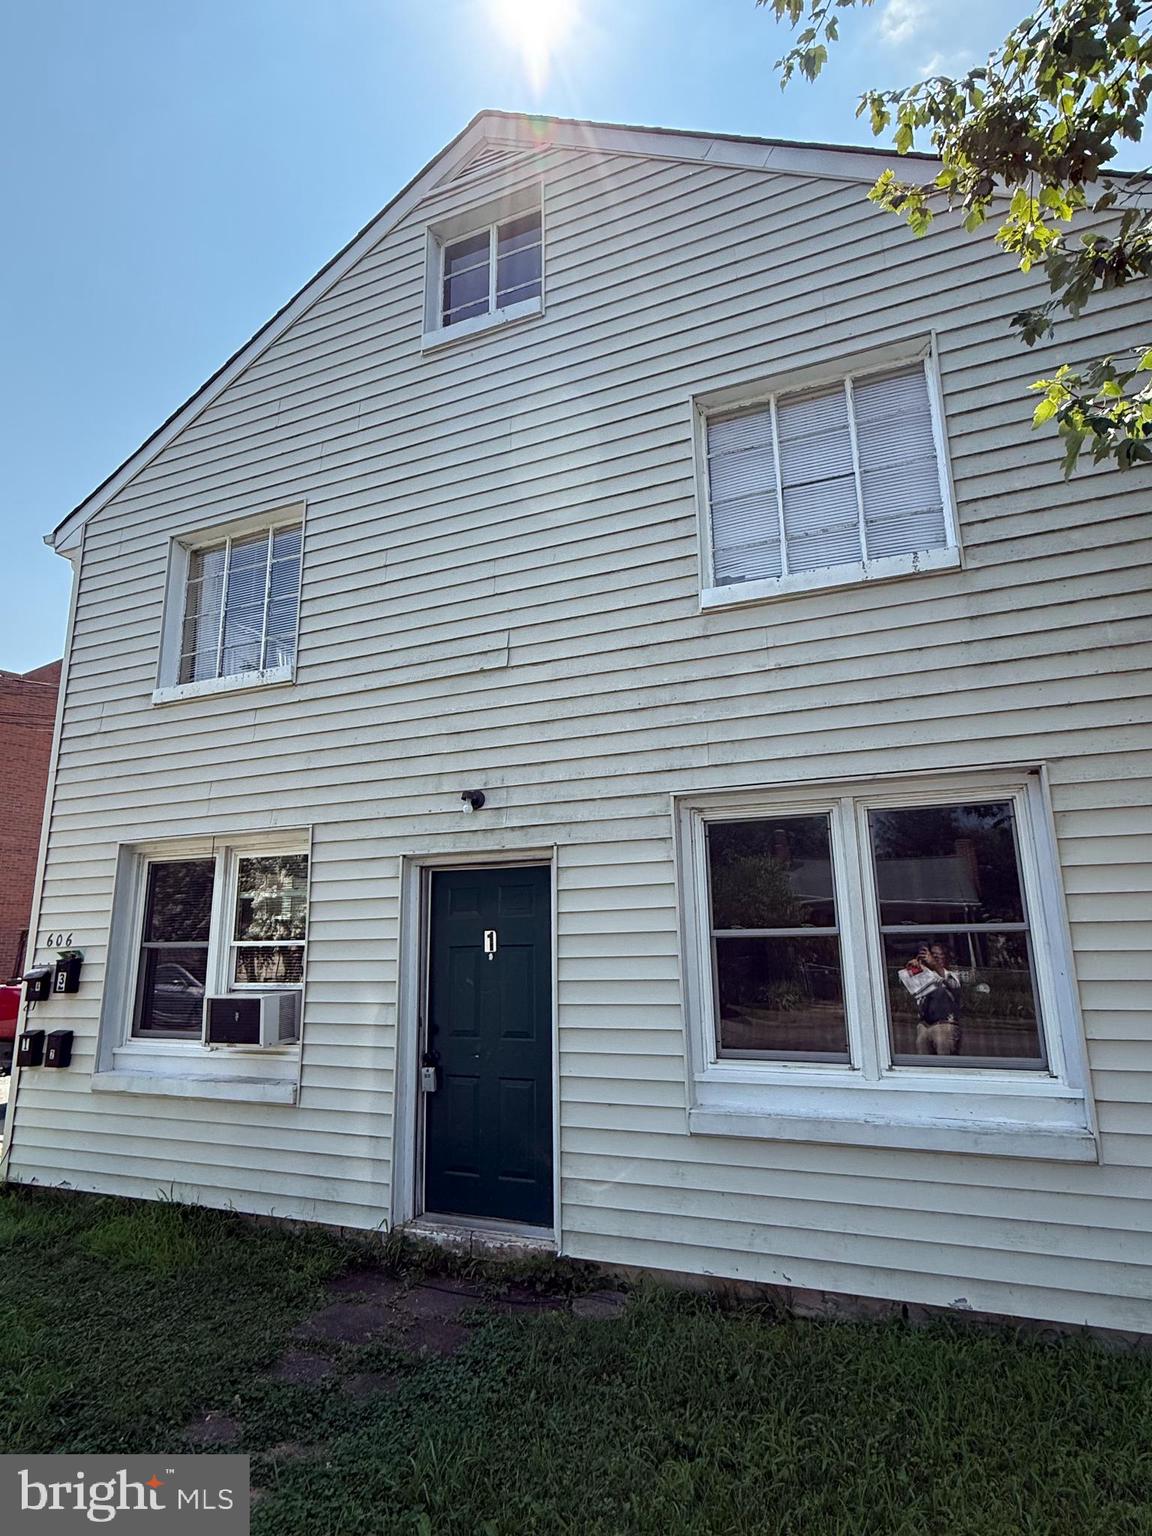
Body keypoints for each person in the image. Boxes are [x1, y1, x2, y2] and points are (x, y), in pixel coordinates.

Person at [909, 942, 962, 1056]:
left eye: (939, 955)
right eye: (933, 954)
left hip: (945, 1026)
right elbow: (913, 992)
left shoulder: (953, 975)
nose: (935, 957)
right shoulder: (925, 976)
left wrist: (933, 963)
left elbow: (953, 984)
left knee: (946, 1066)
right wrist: (914, 970)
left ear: (947, 958)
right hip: (924, 1026)